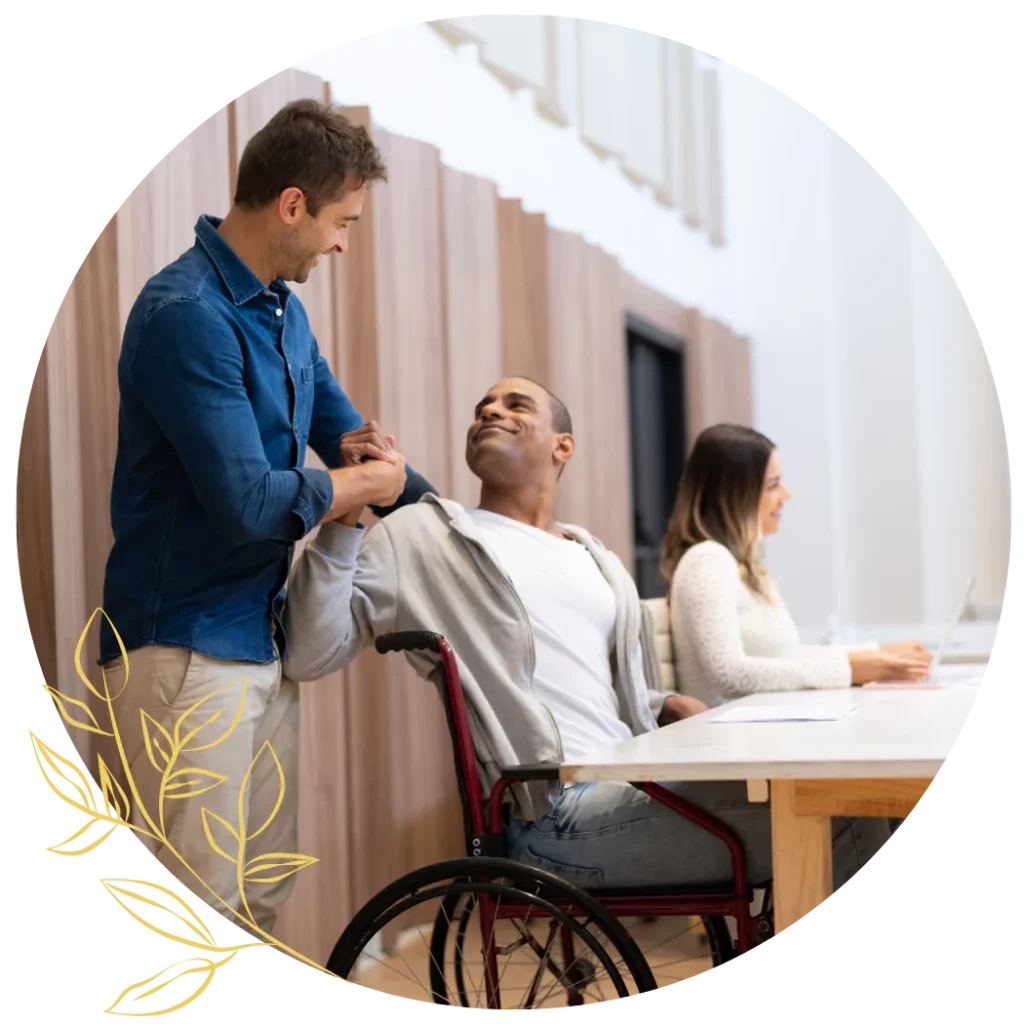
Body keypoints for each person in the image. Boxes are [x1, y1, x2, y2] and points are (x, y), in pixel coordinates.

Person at [281, 378, 892, 900]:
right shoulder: (425, 536)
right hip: (555, 817)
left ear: (562, 447)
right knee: (846, 818)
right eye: (482, 407)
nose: (491, 411)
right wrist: (346, 514)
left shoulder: (593, 556)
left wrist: (659, 705)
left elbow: (587, 689)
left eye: (517, 405)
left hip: (640, 782)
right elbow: (309, 652)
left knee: (861, 798)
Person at [98, 99, 433, 934]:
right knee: (189, 912)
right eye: (341, 222)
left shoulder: (285, 313)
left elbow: (353, 447)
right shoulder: (186, 314)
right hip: (181, 651)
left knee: (257, 903)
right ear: (291, 205)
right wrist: (358, 489)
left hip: (260, 643)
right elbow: (249, 505)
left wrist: (423, 496)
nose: (343, 244)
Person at [661, 423, 932, 709]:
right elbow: (729, 675)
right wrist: (850, 669)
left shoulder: (733, 564)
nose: (786, 495)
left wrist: (874, 656)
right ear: (734, 494)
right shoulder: (706, 561)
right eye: (773, 486)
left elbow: (785, 658)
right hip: (726, 742)